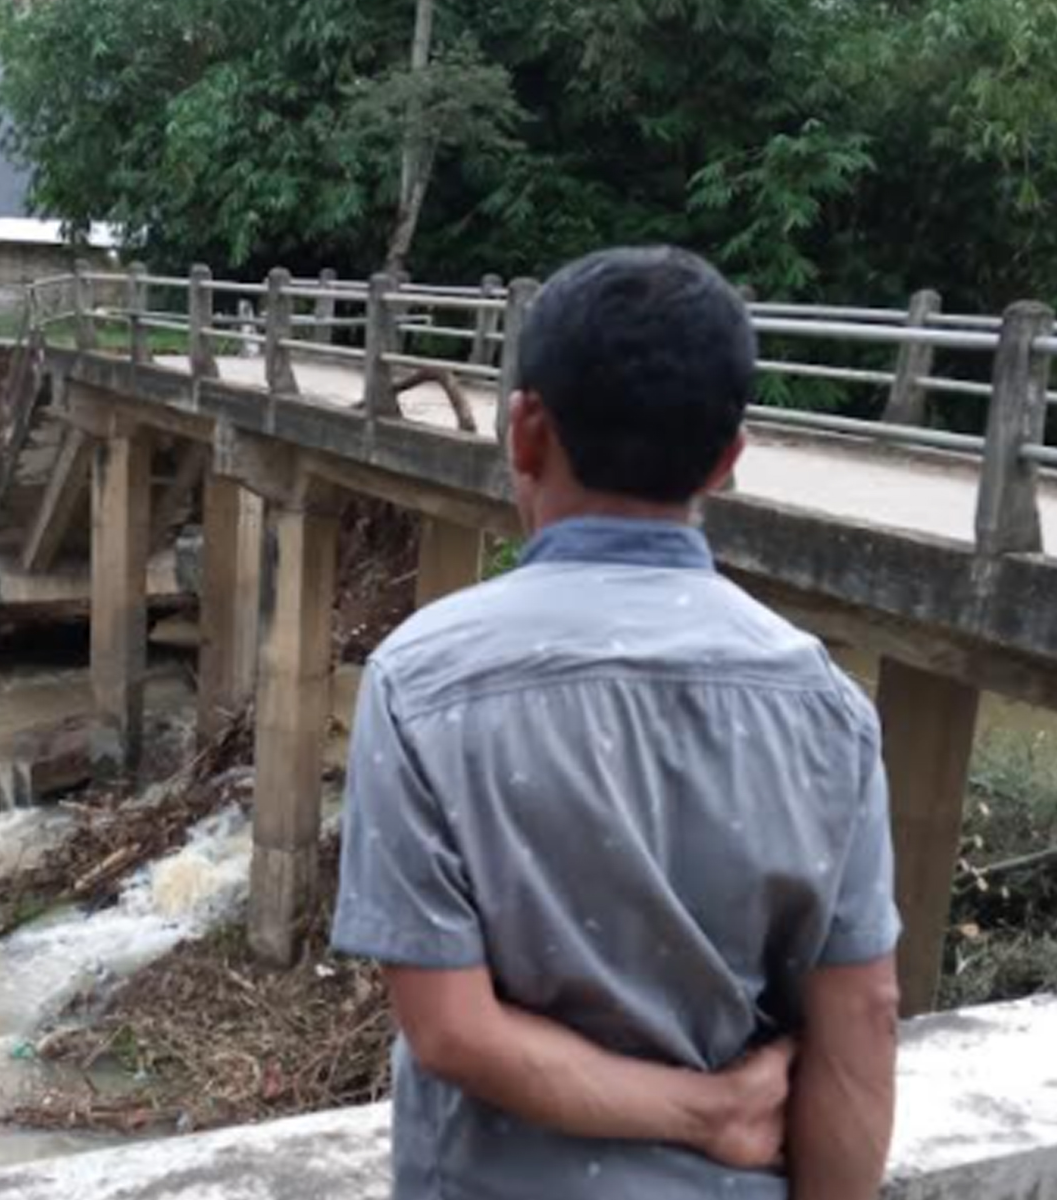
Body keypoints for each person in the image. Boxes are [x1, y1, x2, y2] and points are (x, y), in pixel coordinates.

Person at [332, 246, 902, 1200]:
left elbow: (451, 1031)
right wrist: (716, 1115)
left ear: (523, 432)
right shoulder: (825, 706)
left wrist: (704, 1110)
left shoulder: (419, 682)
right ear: (726, 461)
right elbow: (864, 1014)